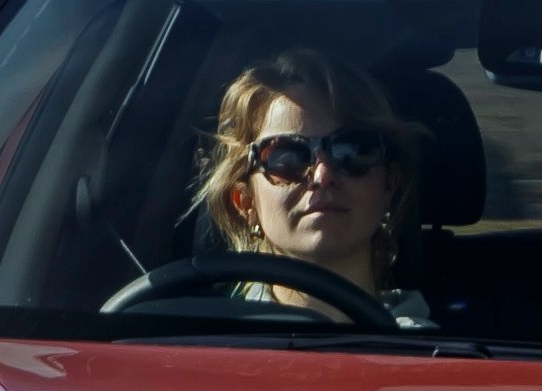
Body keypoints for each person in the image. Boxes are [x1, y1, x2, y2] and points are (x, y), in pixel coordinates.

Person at [181, 47, 436, 321]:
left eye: (353, 150)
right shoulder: (202, 344)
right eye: (287, 158)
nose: (322, 175)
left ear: (390, 185)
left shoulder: (452, 357)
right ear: (245, 202)